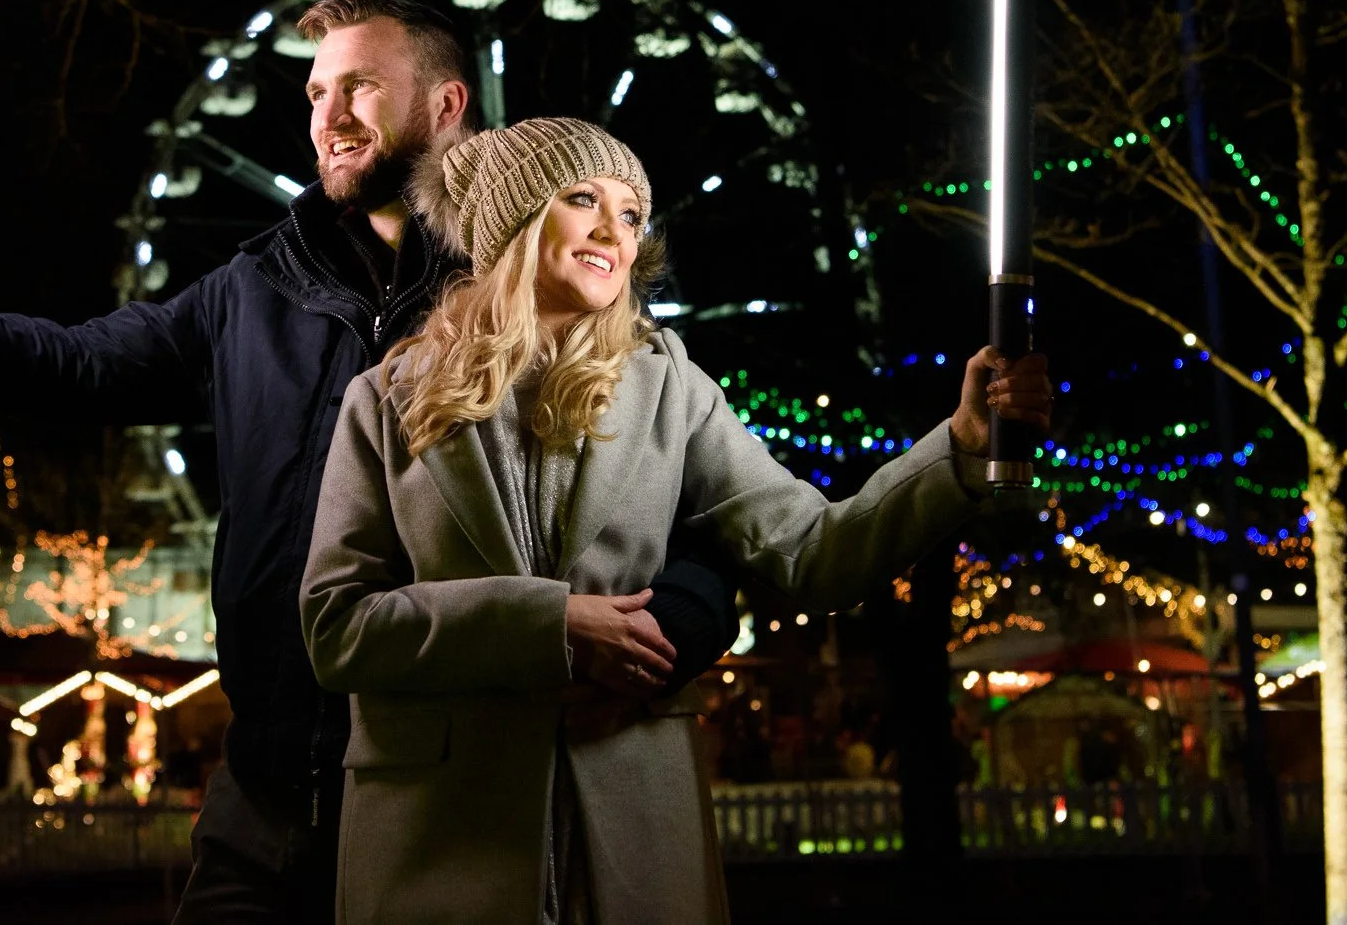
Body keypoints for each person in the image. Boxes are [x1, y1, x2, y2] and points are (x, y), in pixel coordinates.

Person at [0, 0, 739, 922]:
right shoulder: (250, 290)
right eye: (316, 92)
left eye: (359, 85)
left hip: (455, 799)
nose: (328, 114)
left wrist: (674, 629)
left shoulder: (550, 292)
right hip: (268, 796)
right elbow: (71, 368)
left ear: (449, 106)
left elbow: (702, 511)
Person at [300, 118, 1053, 924]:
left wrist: (961, 447)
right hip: (438, 847)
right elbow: (336, 626)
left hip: (631, 834)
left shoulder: (673, 389)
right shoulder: (385, 402)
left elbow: (816, 552)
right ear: (512, 223)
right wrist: (551, 622)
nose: (612, 231)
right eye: (582, 198)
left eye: (631, 214)